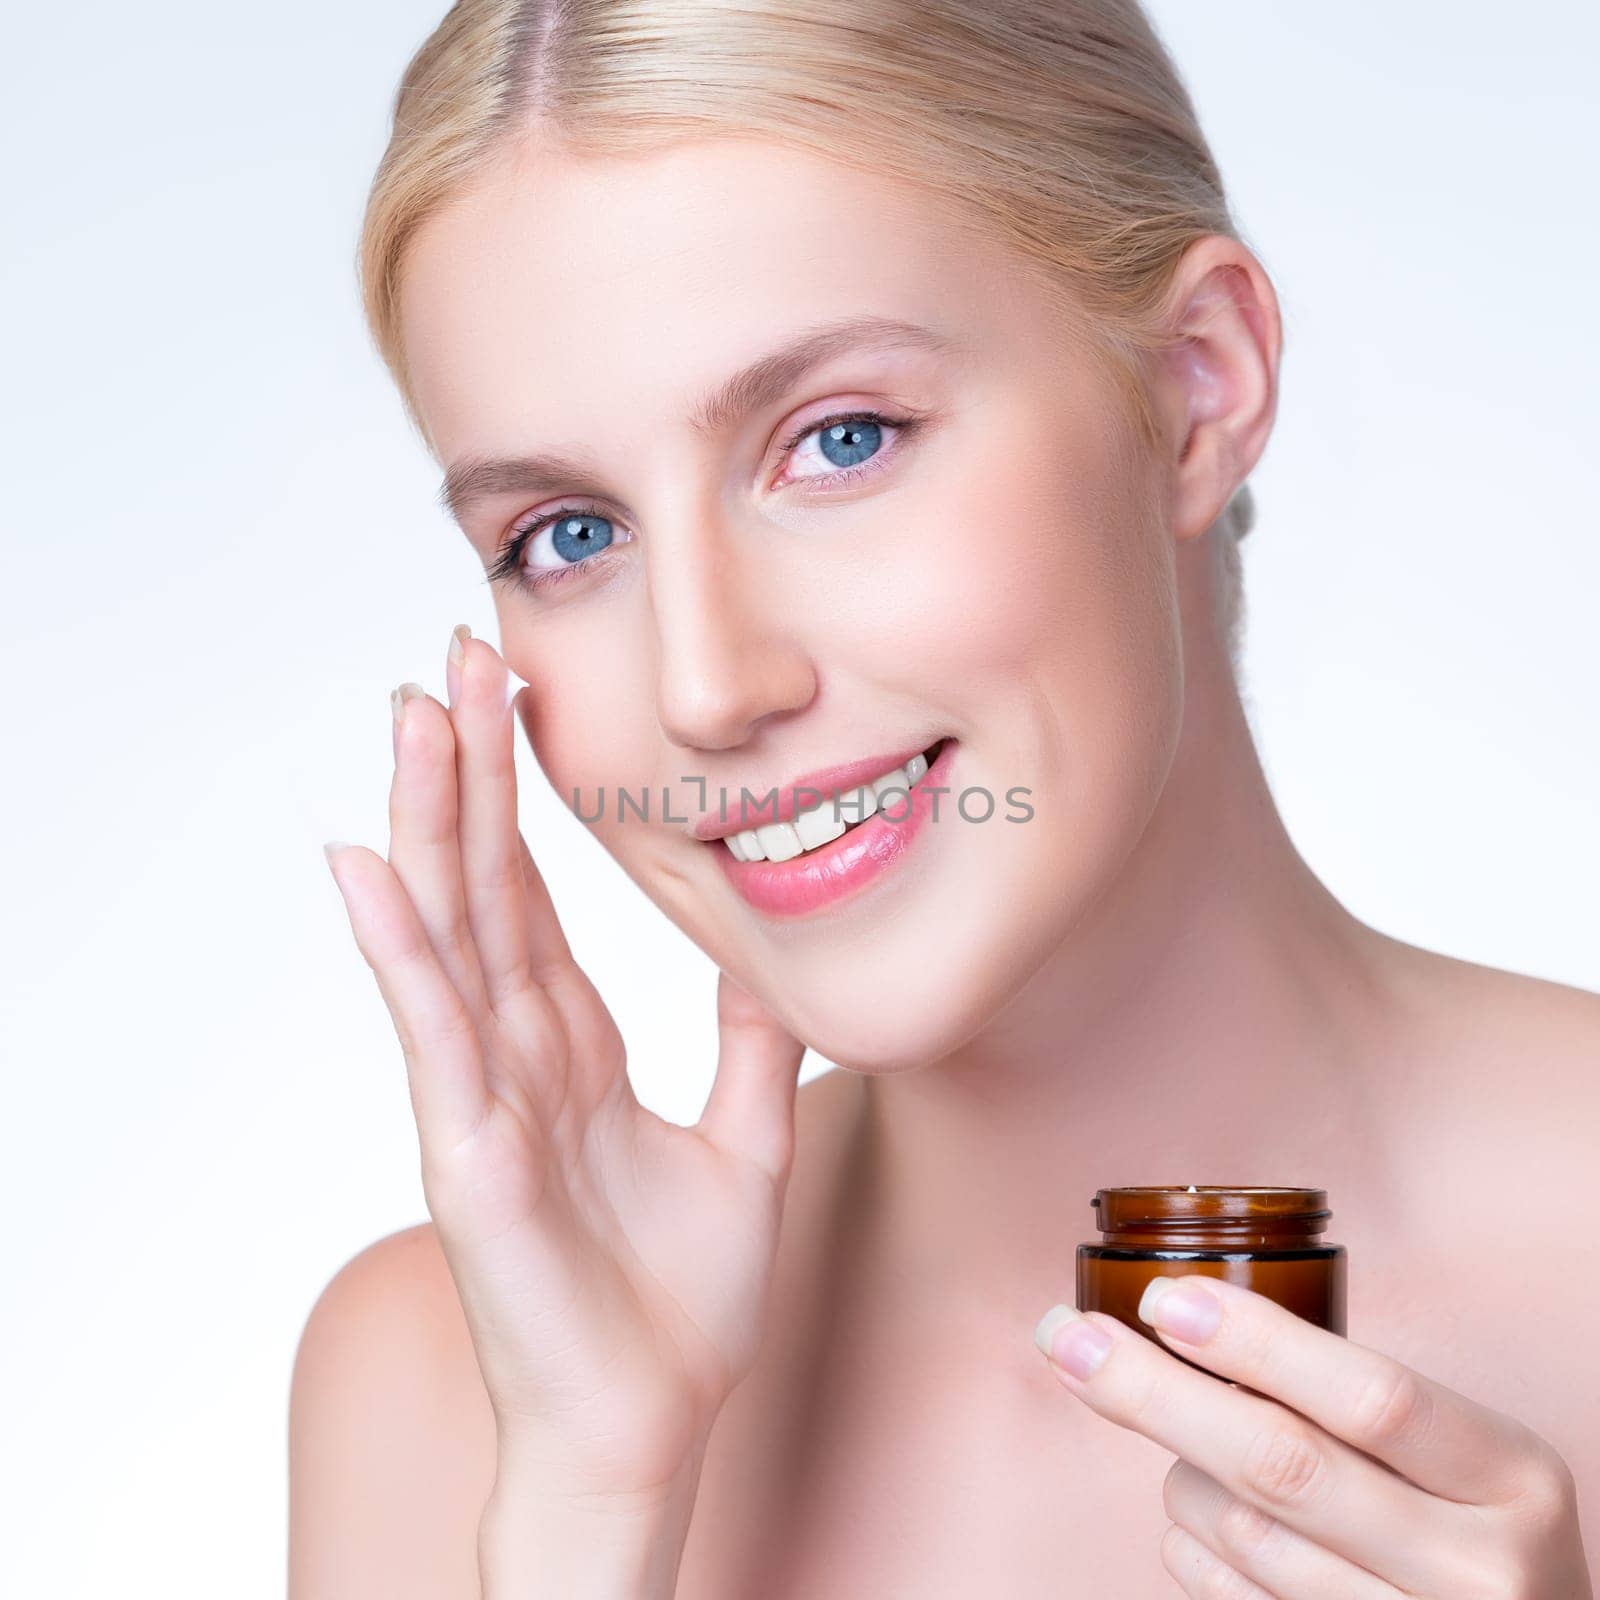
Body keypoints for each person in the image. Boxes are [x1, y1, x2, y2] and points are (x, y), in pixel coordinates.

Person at [290, 2, 1600, 1594]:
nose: (708, 687)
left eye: (840, 440)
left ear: (1198, 383)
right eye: (568, 536)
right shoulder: (450, 1396)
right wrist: (590, 1509)